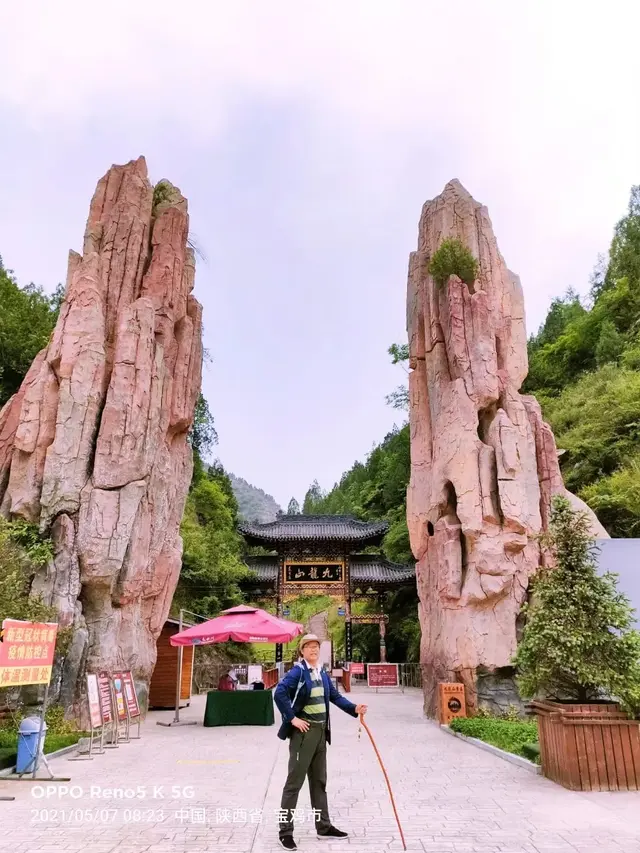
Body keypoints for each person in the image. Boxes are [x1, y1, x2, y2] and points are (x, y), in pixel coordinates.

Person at [274, 633, 367, 851]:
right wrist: (293, 718)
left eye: (316, 646)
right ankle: (285, 832)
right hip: (303, 735)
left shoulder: (322, 672)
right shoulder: (298, 672)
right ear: (302, 651)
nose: (314, 650)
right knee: (294, 783)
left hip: (320, 734)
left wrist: (354, 708)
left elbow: (334, 696)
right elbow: (279, 693)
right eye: (309, 647)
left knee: (319, 783)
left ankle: (323, 827)